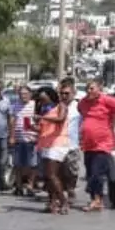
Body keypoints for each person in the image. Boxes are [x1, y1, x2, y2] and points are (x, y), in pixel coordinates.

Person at [77, 79, 115, 212]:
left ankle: (96, 199)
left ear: (99, 89)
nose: (89, 91)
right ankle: (96, 199)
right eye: (87, 88)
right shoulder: (83, 102)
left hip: (103, 144)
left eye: (92, 88)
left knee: (96, 172)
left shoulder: (106, 100)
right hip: (88, 144)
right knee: (90, 173)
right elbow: (81, 112)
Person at [35, 85, 71, 215]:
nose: (42, 102)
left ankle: (63, 201)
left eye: (44, 99)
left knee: (52, 174)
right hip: (46, 144)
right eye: (41, 100)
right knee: (48, 176)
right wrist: (32, 127)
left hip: (57, 143)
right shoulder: (45, 110)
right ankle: (52, 202)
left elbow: (60, 119)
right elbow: (43, 129)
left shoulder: (61, 106)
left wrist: (43, 118)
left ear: (51, 97)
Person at [11, 84, 37, 196]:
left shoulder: (34, 105)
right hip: (18, 139)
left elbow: (38, 121)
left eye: (26, 94)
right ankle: (19, 186)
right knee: (17, 164)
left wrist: (36, 134)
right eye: (21, 94)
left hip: (31, 139)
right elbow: (12, 121)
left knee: (32, 164)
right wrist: (11, 136)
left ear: (30, 94)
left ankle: (30, 185)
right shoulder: (15, 106)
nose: (23, 96)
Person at [59, 76, 82, 201]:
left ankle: (71, 187)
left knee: (72, 170)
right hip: (59, 144)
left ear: (73, 93)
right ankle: (62, 193)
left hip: (73, 144)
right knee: (60, 170)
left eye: (67, 93)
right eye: (62, 93)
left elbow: (83, 124)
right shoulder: (58, 107)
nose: (64, 96)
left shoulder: (78, 107)